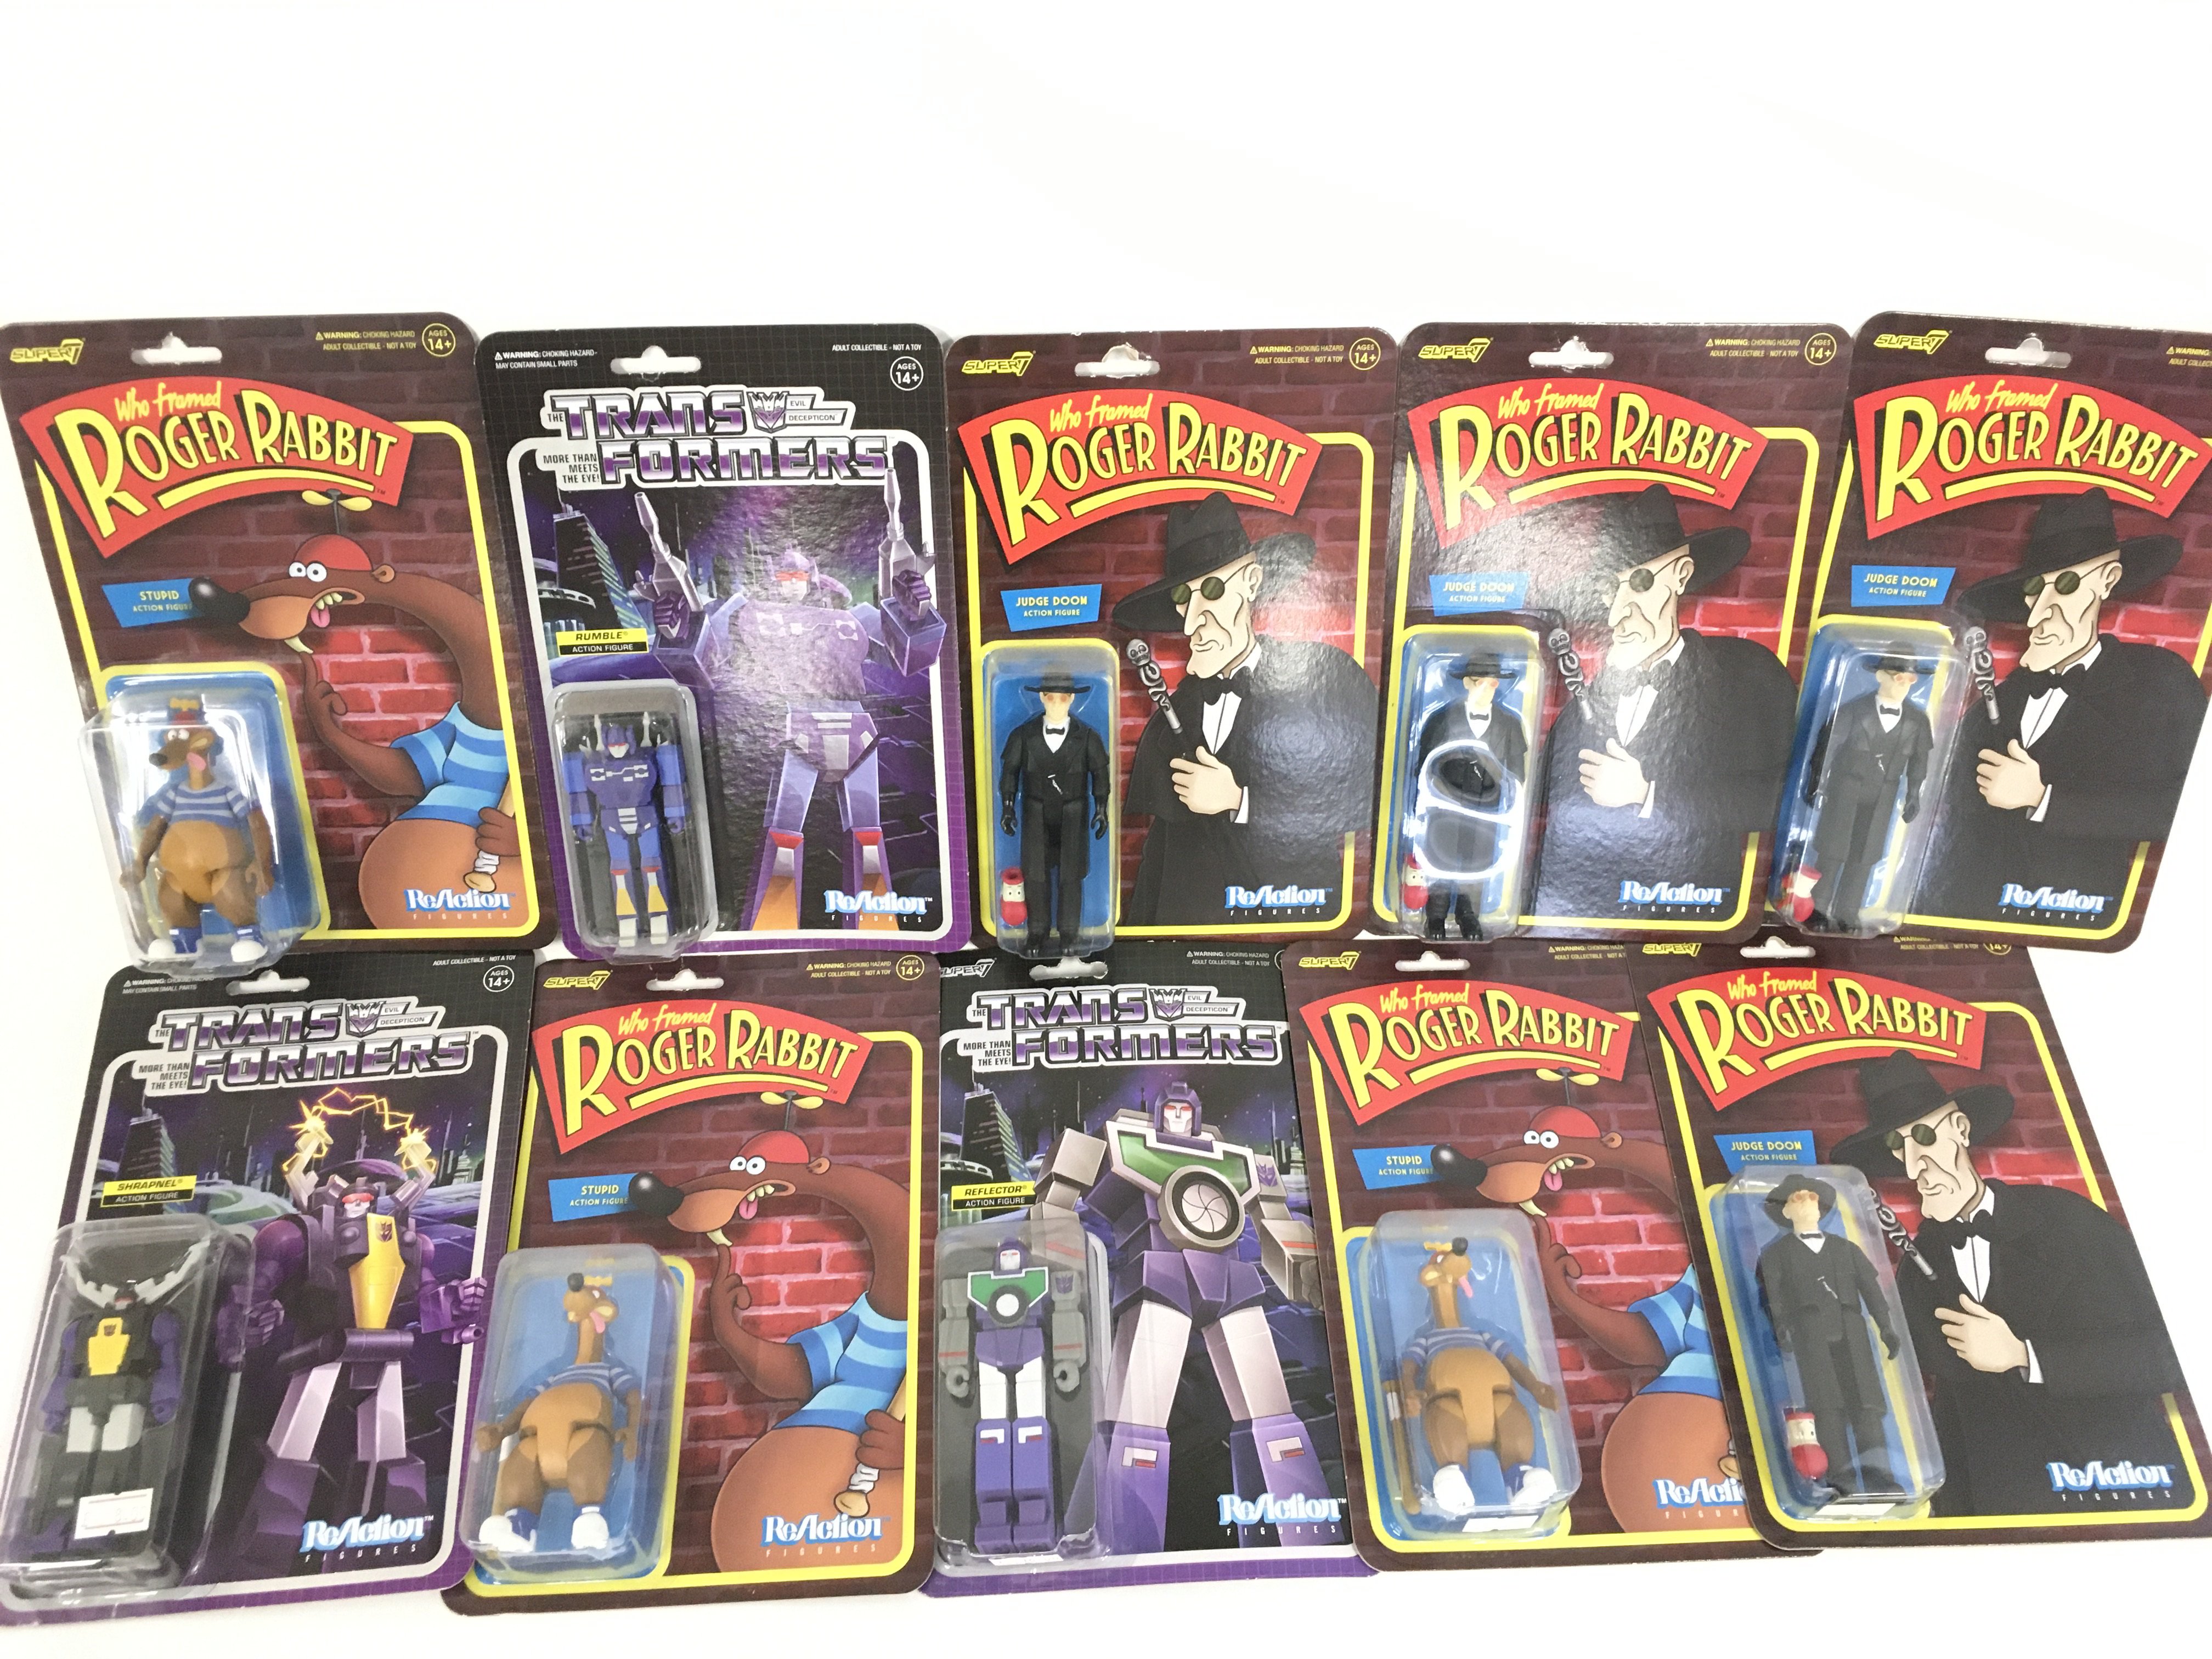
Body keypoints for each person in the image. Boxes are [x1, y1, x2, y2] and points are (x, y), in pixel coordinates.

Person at [1833, 1051, 2187, 1516]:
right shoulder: (1918, 1267)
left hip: (2120, 1489)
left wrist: (2024, 1355)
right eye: (1900, 1147)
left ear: (1961, 1129)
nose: (1917, 1164)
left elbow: (2172, 1357)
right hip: (1999, 1509)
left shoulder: (2069, 1222)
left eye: (1924, 1136)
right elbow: (1941, 1405)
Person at [1921, 488, 2205, 926]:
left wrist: (2043, 800)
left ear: (2108, 580)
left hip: (2080, 917)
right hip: (1970, 916)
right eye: (2034, 591)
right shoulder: (1999, 702)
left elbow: (2195, 808)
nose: (2040, 615)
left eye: (2067, 586)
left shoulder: (2159, 682)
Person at [1531, 486, 1795, 922]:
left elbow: (1778, 800)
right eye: (1610, 591)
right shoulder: (1587, 703)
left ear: (1681, 575)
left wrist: (1646, 794)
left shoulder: (1746, 676)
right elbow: (1544, 794)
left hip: (1693, 909)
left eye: (1640, 583)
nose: (1619, 615)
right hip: (1589, 918)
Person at [1115, 492, 1376, 925]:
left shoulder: (1327, 681)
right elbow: (1160, 856)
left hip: (1292, 916)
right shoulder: (1173, 716)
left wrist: (1238, 800)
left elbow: (1355, 801)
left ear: (1252, 582)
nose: (1192, 622)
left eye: (1212, 590)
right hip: (1189, 933)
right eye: (1183, 597)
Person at [1755, 1172, 1901, 1497]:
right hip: (1809, 1335)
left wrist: (1886, 1327)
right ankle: (1841, 1480)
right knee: (1826, 1408)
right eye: (1797, 1198)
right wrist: (1781, 1329)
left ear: (1822, 1207)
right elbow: (1772, 1298)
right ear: (1786, 1211)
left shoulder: (1846, 1249)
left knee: (1867, 1405)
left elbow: (1872, 1291)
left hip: (1853, 1331)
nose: (1806, 1202)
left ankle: (1881, 1478)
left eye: (1811, 1196)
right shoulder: (1776, 1255)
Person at [1793, 656, 1934, 930]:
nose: (1903, 684)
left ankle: (1847, 913)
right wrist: (1817, 783)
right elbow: (1826, 750)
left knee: (1865, 856)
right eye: (1898, 677)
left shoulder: (1917, 721)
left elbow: (1919, 764)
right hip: (1845, 791)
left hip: (1883, 797)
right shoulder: (1853, 711)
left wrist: (1914, 796)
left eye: (1910, 679)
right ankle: (1817, 908)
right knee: (1833, 850)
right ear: (1881, 676)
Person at [1407, 654, 1527, 940]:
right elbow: (1423, 767)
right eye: (1478, 682)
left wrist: (1514, 808)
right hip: (1445, 806)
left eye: (1492, 683)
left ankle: (1469, 915)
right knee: (1441, 858)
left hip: (1487, 810)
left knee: (1479, 861)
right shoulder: (1443, 720)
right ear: (1466, 683)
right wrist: (1424, 804)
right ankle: (1435, 917)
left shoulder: (1509, 724)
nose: (1486, 689)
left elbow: (1517, 775)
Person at [997, 673, 1109, 956]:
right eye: (1051, 697)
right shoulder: (1024, 735)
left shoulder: (1087, 737)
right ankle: (1037, 932)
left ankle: (1070, 933)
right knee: (1036, 874)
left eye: (1062, 698)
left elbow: (1100, 774)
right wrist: (1008, 807)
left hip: (1074, 812)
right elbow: (1010, 772)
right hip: (1035, 811)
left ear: (1071, 699)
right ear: (1041, 698)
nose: (1057, 704)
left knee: (1071, 875)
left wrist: (1101, 808)